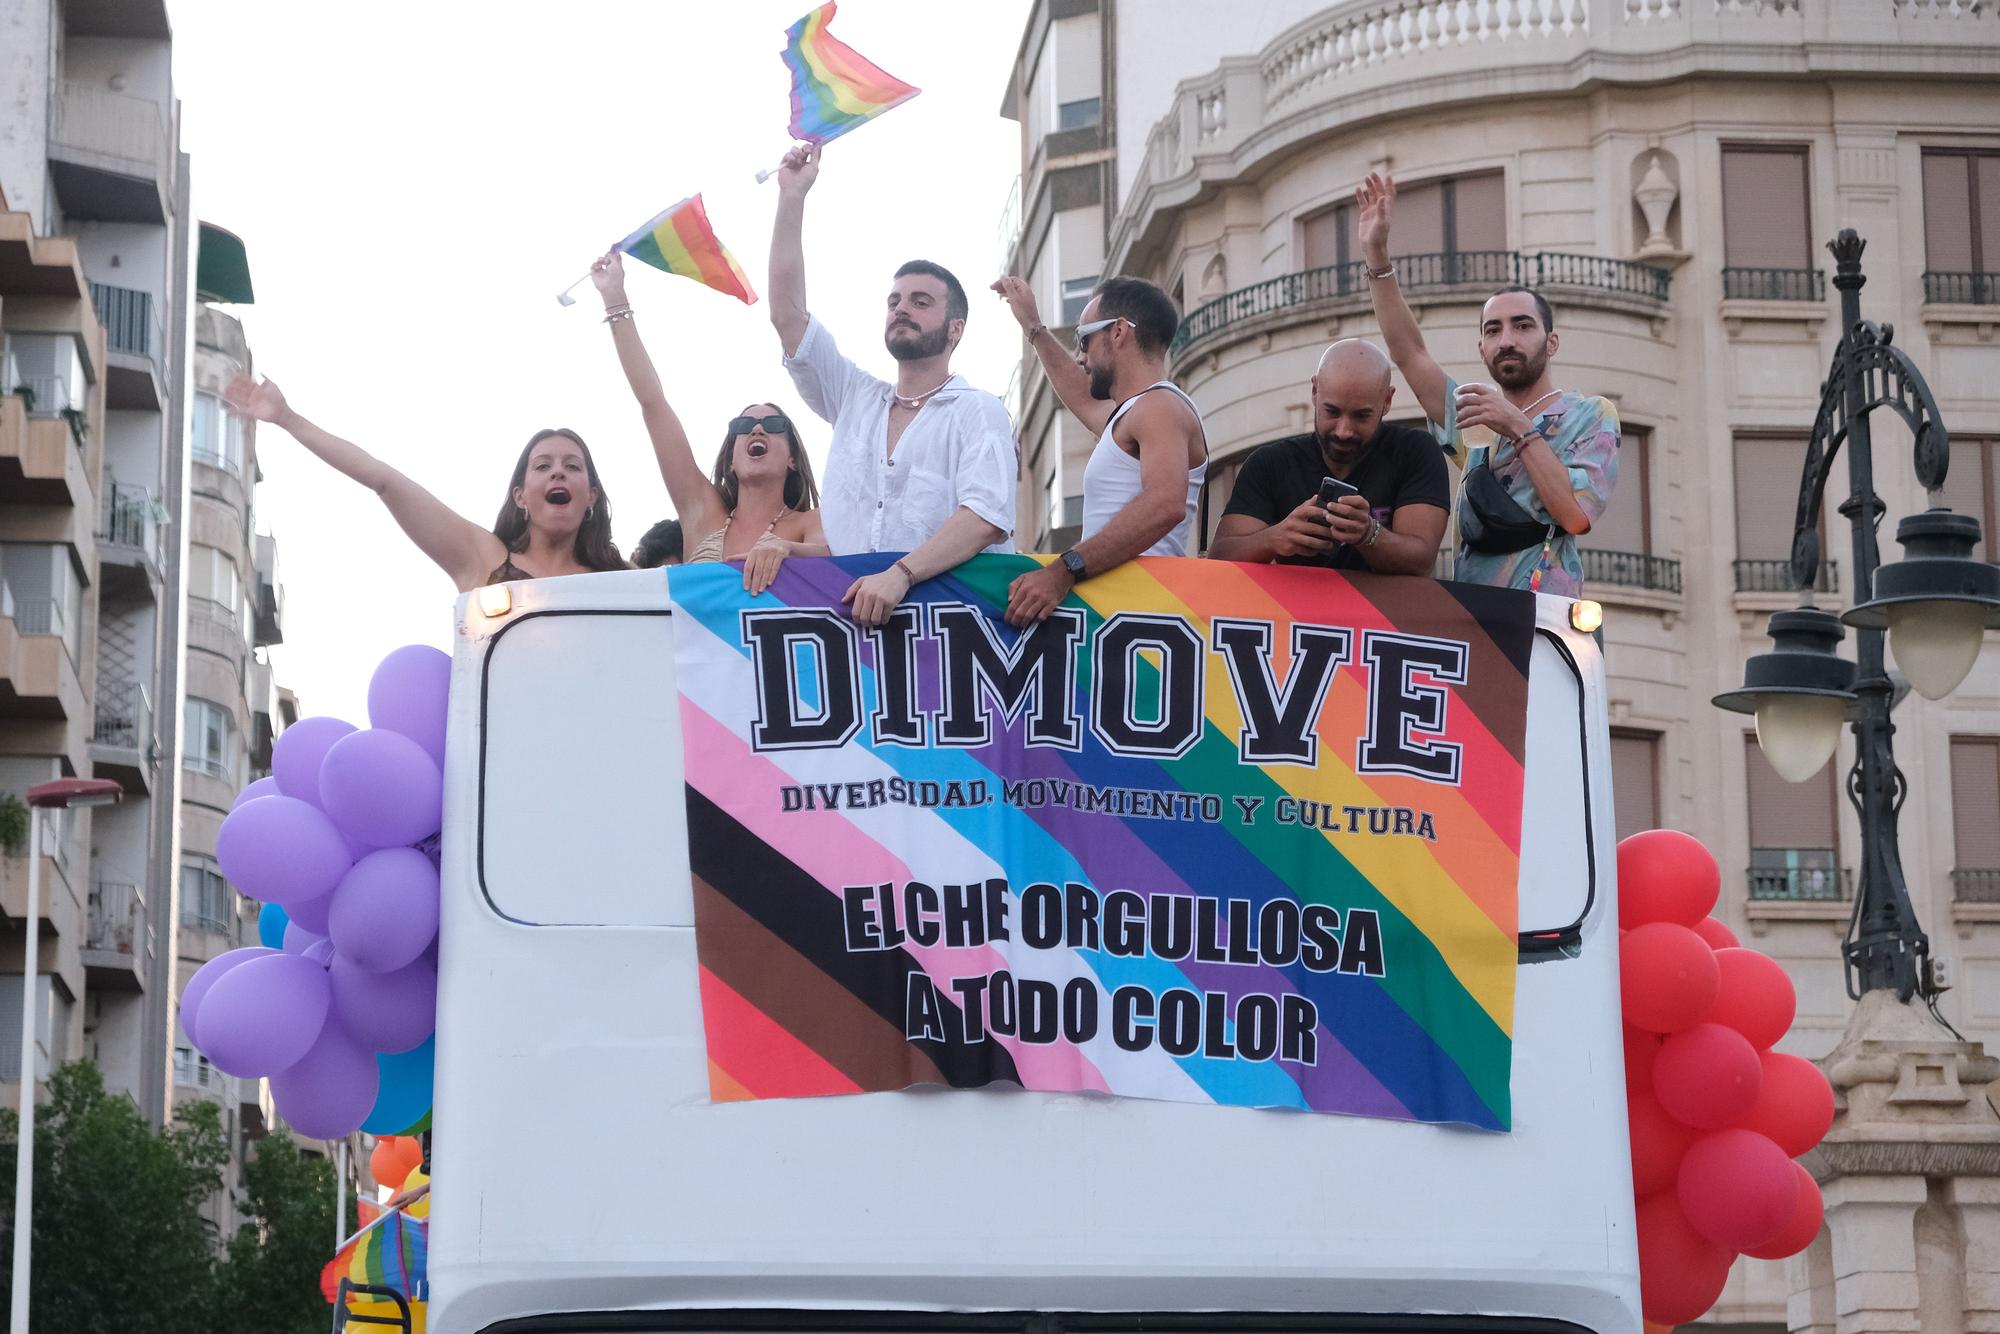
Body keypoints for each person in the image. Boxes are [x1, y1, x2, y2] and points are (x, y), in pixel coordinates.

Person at [768, 142, 1017, 627]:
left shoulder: (978, 411)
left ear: (955, 328)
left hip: (950, 635)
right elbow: (787, 315)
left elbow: (985, 518)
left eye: (921, 302)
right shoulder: (855, 397)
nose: (901, 308)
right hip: (849, 633)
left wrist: (900, 575)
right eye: (894, 300)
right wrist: (791, 198)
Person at [1355, 171, 1618, 596]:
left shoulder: (1590, 414)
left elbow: (1574, 516)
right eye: (1493, 330)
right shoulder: (1475, 419)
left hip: (1548, 621)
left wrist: (1516, 426)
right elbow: (1409, 354)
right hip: (1475, 620)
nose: (1507, 340)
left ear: (1551, 342)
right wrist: (1377, 255)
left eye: (1522, 326)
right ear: (1481, 349)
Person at [222, 377, 626, 592]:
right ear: (520, 496)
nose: (558, 473)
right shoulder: (483, 559)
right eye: (543, 466)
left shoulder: (624, 582)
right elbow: (382, 478)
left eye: (572, 466)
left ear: (590, 495)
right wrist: (288, 418)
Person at [592, 252, 827, 595]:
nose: (756, 430)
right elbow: (653, 404)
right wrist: (615, 299)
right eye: (742, 426)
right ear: (731, 457)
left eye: (773, 425)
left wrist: (788, 549)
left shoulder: (810, 522)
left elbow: (836, 562)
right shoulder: (701, 512)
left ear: (793, 458)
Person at [991, 274, 1208, 627]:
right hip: (1123, 612)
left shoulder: (1159, 407)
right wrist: (1033, 328)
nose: (1080, 356)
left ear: (1119, 332)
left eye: (1084, 339)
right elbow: (1081, 397)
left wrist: (1064, 569)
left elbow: (1165, 504)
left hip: (1143, 613)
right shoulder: (1137, 411)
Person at [1207, 340, 1449, 574]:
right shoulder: (1270, 464)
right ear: (1315, 391)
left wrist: (1368, 534)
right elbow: (1219, 559)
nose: (1344, 431)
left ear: (1386, 401)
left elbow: (1421, 559)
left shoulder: (1414, 452)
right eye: (1331, 412)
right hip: (1294, 613)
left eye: (1361, 416)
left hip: (1386, 614)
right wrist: (1276, 537)